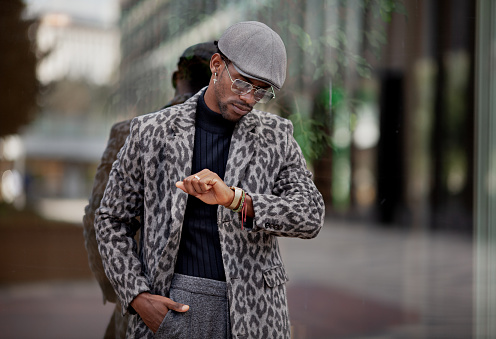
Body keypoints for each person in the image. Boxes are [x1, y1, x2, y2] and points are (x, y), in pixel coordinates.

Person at [95, 21, 325, 339]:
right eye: (243, 83)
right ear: (217, 65)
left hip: (256, 313)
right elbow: (110, 220)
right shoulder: (151, 132)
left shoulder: (277, 136)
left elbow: (311, 215)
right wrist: (136, 296)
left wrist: (236, 199)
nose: (250, 98)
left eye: (262, 90)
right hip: (173, 304)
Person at [83, 41, 216, 339]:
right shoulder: (235, 142)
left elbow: (97, 221)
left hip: (141, 300)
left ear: (175, 78)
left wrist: (124, 292)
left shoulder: (129, 131)